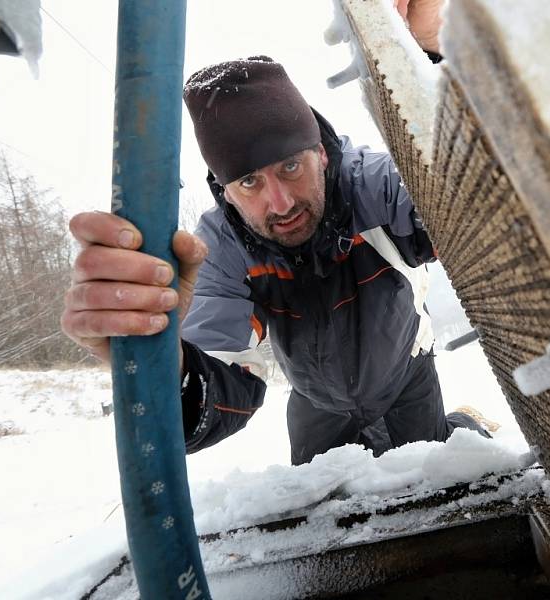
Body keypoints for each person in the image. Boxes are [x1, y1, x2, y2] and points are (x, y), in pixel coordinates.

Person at [61, 1, 497, 465]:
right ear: (226, 191)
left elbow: (471, 189)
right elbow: (222, 374)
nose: (281, 203)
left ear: (322, 156)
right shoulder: (220, 249)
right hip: (316, 397)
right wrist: (163, 366)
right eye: (249, 182)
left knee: (436, 472)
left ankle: (464, 424)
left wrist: (436, 56)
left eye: (291, 166)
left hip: (407, 371)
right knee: (327, 506)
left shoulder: (374, 187)